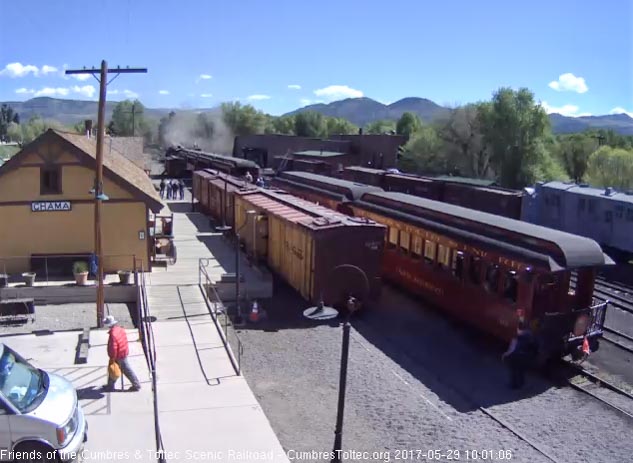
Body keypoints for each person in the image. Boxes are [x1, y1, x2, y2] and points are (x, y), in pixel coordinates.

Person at [103, 315, 141, 391]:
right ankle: (110, 386)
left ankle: (136, 385)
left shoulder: (112, 334)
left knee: (125, 370)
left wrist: (112, 357)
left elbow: (113, 347)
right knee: (113, 368)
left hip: (118, 355)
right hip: (123, 352)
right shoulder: (120, 329)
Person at [502, 321, 537, 389]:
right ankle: (521, 384)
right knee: (521, 370)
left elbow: (512, 349)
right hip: (525, 356)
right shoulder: (531, 337)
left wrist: (505, 355)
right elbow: (533, 347)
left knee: (513, 371)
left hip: (515, 356)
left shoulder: (516, 337)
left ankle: (514, 385)